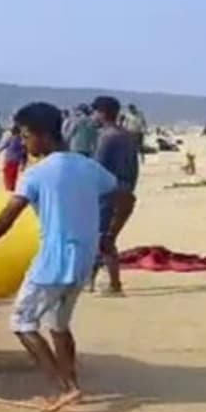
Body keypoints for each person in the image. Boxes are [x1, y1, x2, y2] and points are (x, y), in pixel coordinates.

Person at [0, 102, 130, 412]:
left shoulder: (36, 175)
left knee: (22, 322)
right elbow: (127, 197)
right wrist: (110, 234)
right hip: (83, 259)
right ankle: (72, 385)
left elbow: (4, 220)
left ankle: (64, 388)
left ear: (43, 135)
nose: (23, 142)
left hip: (52, 262)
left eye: (25, 135)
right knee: (59, 325)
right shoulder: (89, 167)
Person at [89, 95, 140, 296]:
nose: (93, 116)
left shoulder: (106, 137)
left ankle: (113, 284)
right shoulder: (127, 136)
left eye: (95, 112)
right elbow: (134, 168)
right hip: (125, 191)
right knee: (106, 236)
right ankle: (91, 280)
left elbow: (97, 168)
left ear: (102, 113)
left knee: (103, 237)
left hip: (107, 193)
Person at [0, 125, 27, 191]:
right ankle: (11, 187)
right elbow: (24, 151)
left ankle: (9, 187)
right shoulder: (21, 140)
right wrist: (23, 162)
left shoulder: (11, 139)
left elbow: (3, 146)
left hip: (9, 159)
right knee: (13, 175)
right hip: (16, 160)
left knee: (8, 175)